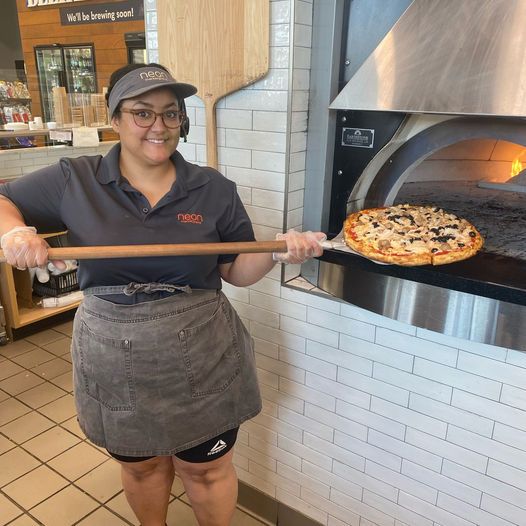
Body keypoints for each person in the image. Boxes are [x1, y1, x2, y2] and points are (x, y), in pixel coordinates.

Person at [0, 63, 325, 526]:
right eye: (142, 113)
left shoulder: (212, 187)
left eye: (171, 114)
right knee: (144, 465)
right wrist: (16, 234)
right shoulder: (77, 178)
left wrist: (279, 251)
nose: (159, 126)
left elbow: (235, 270)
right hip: (114, 351)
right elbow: (3, 200)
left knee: (207, 468)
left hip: (203, 347)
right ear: (115, 118)